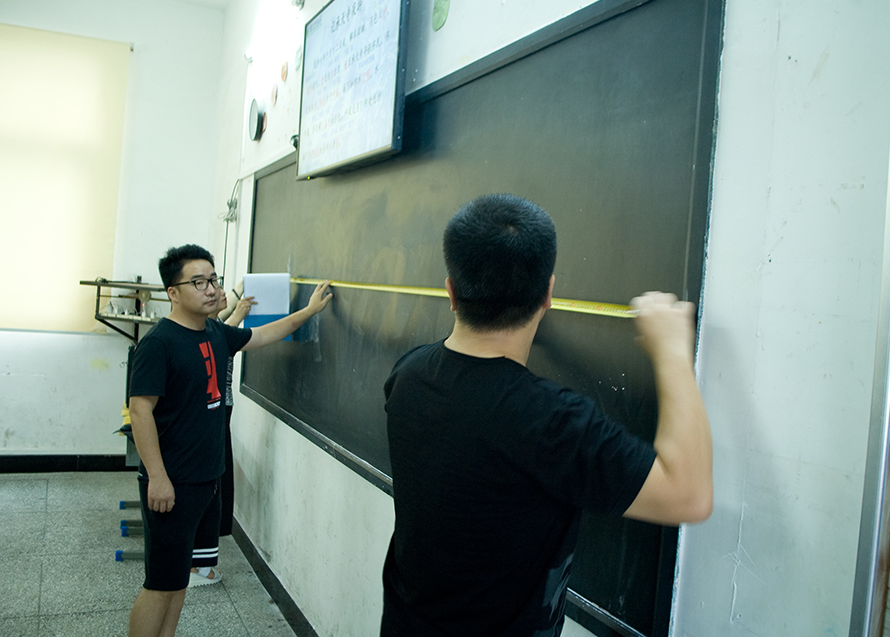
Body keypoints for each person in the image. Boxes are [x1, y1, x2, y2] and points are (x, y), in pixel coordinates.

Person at [380, 194, 712, 637]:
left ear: (452, 291)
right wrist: (671, 350)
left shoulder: (407, 375)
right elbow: (688, 495)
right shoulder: (551, 421)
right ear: (549, 293)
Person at [127, 245, 331, 637]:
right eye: (198, 282)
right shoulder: (160, 343)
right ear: (173, 292)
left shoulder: (215, 332)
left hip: (204, 478)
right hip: (173, 480)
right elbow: (140, 411)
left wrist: (308, 312)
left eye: (213, 279)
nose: (210, 289)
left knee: (179, 577)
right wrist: (158, 477)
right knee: (160, 582)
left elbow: (264, 334)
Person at [187, 284, 257, 587]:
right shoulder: (209, 332)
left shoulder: (212, 326)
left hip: (217, 412)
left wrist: (238, 304)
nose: (221, 293)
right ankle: (195, 566)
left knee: (216, 488)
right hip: (214, 412)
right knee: (211, 488)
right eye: (213, 288)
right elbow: (225, 335)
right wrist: (239, 311)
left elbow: (224, 324)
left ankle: (198, 561)